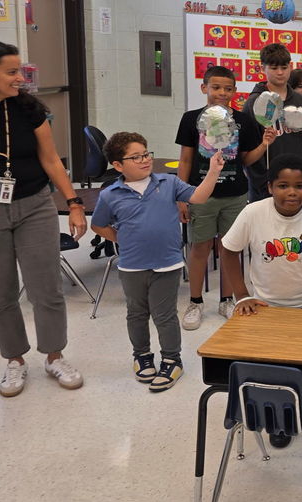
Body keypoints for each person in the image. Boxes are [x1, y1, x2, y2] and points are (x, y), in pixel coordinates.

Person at [220, 154, 302, 447]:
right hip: (268, 308)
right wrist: (241, 296)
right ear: (270, 188)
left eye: (300, 186)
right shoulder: (253, 213)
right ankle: (279, 422)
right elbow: (228, 250)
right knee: (274, 369)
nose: (291, 192)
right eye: (282, 185)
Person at [0, 40, 86, 397]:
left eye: (20, 70)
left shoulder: (29, 109)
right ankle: (14, 360)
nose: (20, 78)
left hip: (35, 204)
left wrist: (72, 202)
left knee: (47, 288)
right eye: (11, 72)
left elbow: (52, 159)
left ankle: (54, 355)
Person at [91, 132, 225, 392]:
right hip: (132, 266)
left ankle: (171, 360)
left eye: (146, 154)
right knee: (137, 314)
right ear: (118, 165)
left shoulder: (168, 182)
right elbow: (98, 225)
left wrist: (213, 172)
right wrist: (121, 238)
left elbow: (198, 197)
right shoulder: (111, 194)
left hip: (167, 264)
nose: (144, 160)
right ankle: (141, 356)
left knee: (164, 316)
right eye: (136, 157)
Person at [175, 65, 276, 329]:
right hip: (200, 195)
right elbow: (185, 159)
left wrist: (264, 144)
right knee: (199, 247)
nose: (222, 93)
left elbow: (246, 160)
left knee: (230, 249)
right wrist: (181, 195)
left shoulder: (242, 121)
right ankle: (195, 302)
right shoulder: (191, 119)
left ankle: (226, 300)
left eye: (228, 88)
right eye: (216, 87)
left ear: (235, 91)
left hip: (234, 195)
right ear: (204, 88)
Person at [243, 43, 302, 201]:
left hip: (294, 179)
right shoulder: (254, 102)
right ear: (262, 68)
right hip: (264, 182)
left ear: (290, 67)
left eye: (284, 67)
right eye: (273, 68)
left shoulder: (300, 101)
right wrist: (261, 179)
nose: (280, 72)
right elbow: (247, 149)